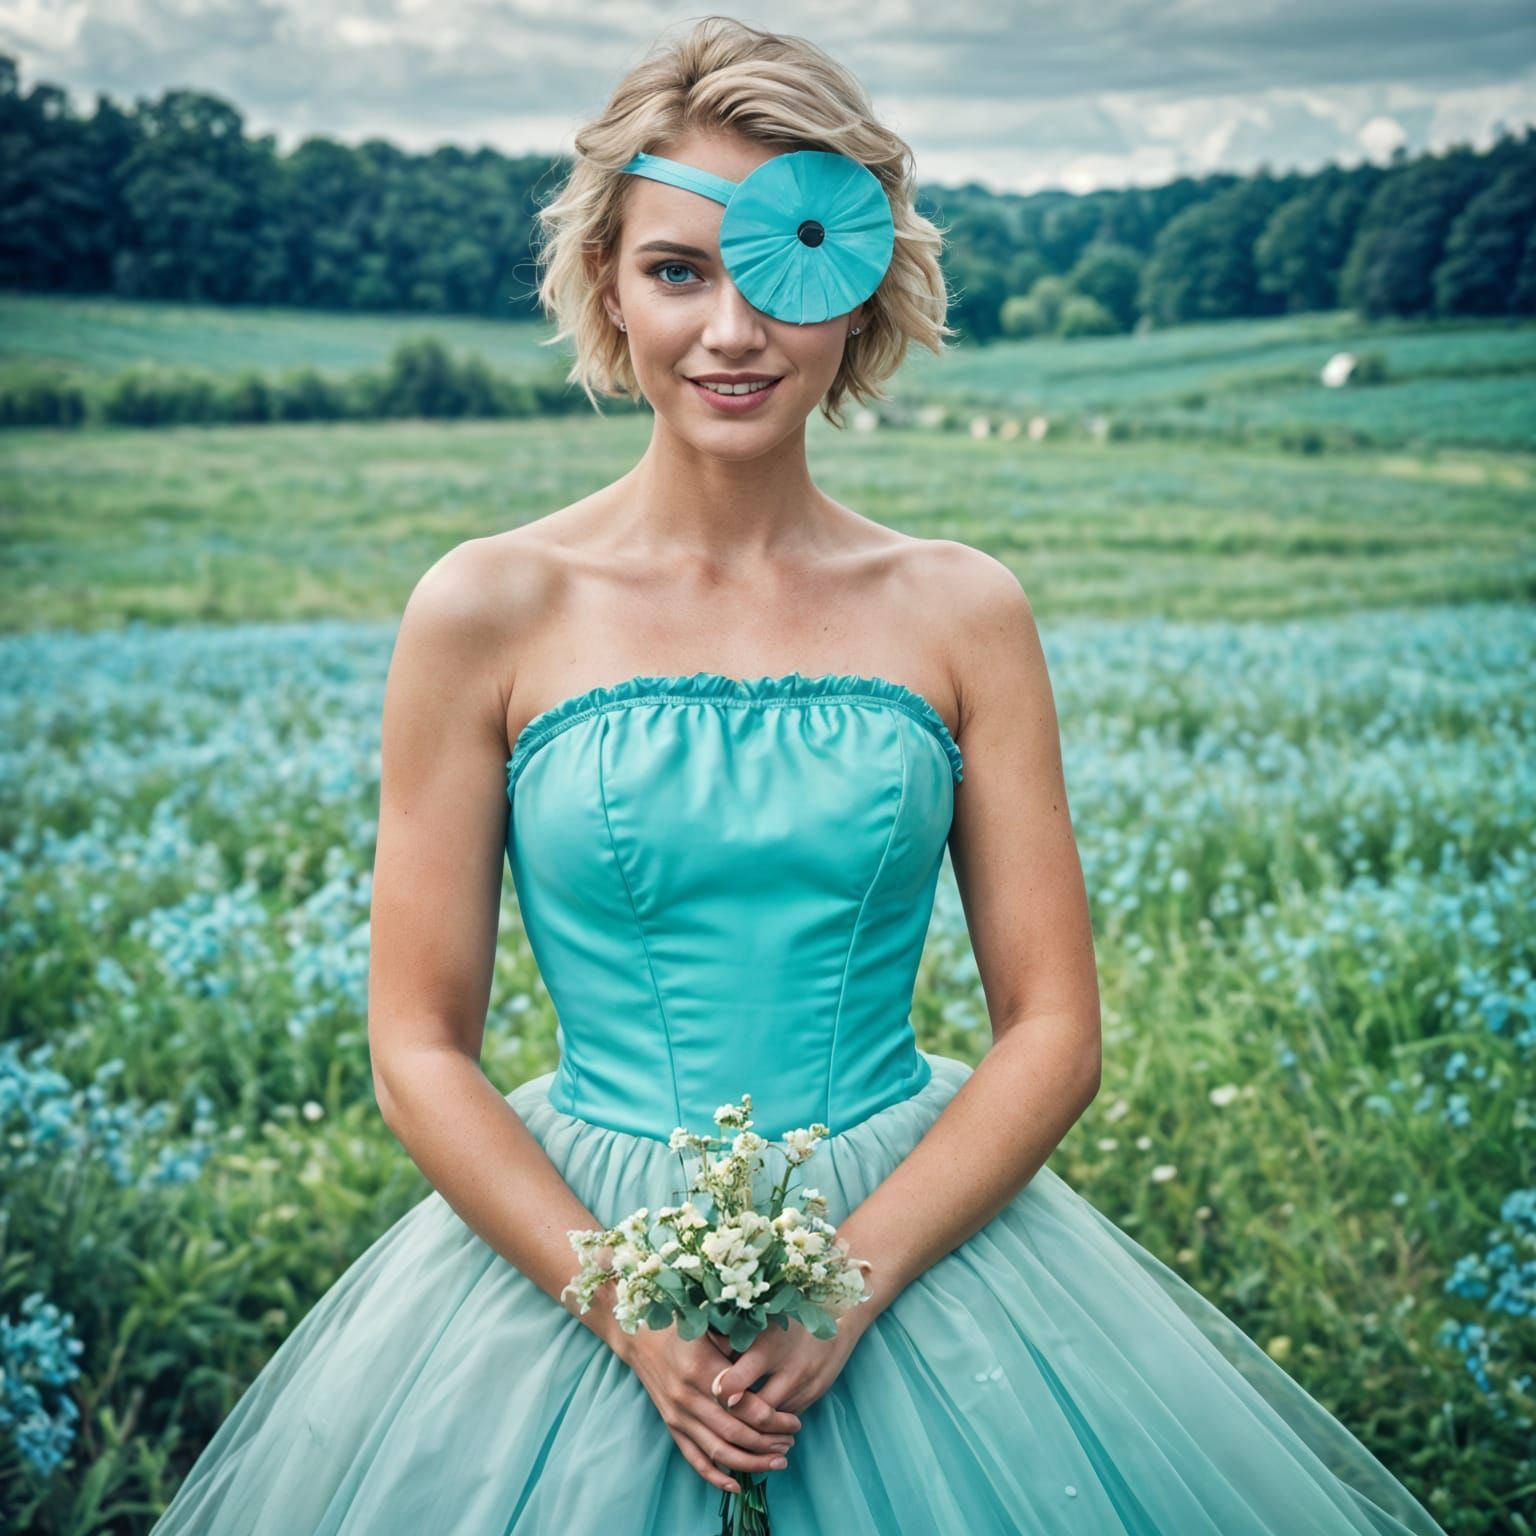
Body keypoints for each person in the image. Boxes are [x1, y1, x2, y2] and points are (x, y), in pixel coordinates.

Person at [150, 17, 1448, 1534]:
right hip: (579, 1261)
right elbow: (416, 1046)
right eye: (678, 270)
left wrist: (850, 1284)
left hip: (914, 1258)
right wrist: (621, 1300)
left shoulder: (963, 609)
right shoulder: (485, 609)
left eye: (785, 267)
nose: (732, 330)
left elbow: (1055, 1030)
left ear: (867, 285)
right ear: (607, 286)